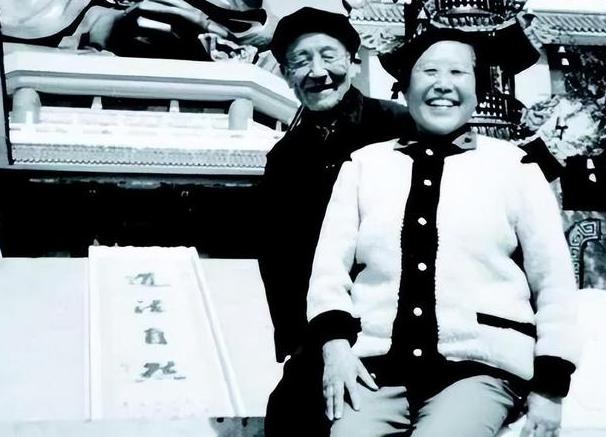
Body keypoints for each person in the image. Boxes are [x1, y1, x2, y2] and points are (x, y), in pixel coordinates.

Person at [305, 21, 579, 437]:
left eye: (457, 72)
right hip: (375, 371)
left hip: (479, 369)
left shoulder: (516, 168)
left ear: (478, 89)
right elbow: (328, 272)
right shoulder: (363, 166)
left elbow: (553, 282)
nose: (442, 85)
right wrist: (336, 349)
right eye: (428, 71)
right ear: (404, 87)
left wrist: (551, 388)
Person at [259, 7, 413, 436]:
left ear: (352, 61)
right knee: (288, 416)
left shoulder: (399, 126)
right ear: (286, 74)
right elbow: (279, 260)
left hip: (399, 320)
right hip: (323, 329)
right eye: (300, 61)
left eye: (329, 56)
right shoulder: (284, 157)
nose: (317, 72)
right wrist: (300, 344)